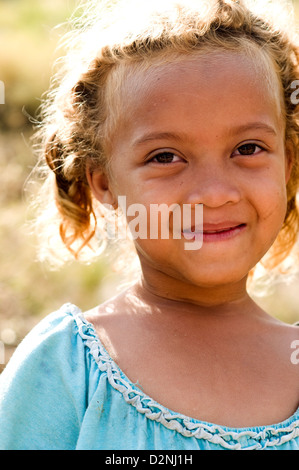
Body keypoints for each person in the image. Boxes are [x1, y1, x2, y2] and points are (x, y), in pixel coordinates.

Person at [0, 0, 299, 450]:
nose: (215, 193)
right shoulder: (67, 365)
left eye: (248, 148)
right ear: (103, 183)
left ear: (288, 165)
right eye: (165, 157)